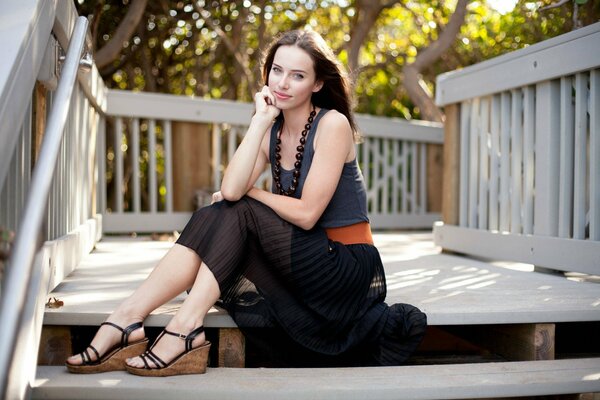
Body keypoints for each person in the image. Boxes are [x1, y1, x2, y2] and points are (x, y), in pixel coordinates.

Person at [66, 29, 426, 376]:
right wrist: (261, 121)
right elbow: (230, 188)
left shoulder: (332, 124)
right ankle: (135, 316)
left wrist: (253, 193)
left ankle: (175, 327)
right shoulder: (274, 128)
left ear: (317, 84)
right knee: (223, 211)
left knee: (240, 209)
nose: (282, 83)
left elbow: (305, 214)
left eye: (297, 75)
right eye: (276, 71)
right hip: (306, 258)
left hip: (343, 268)